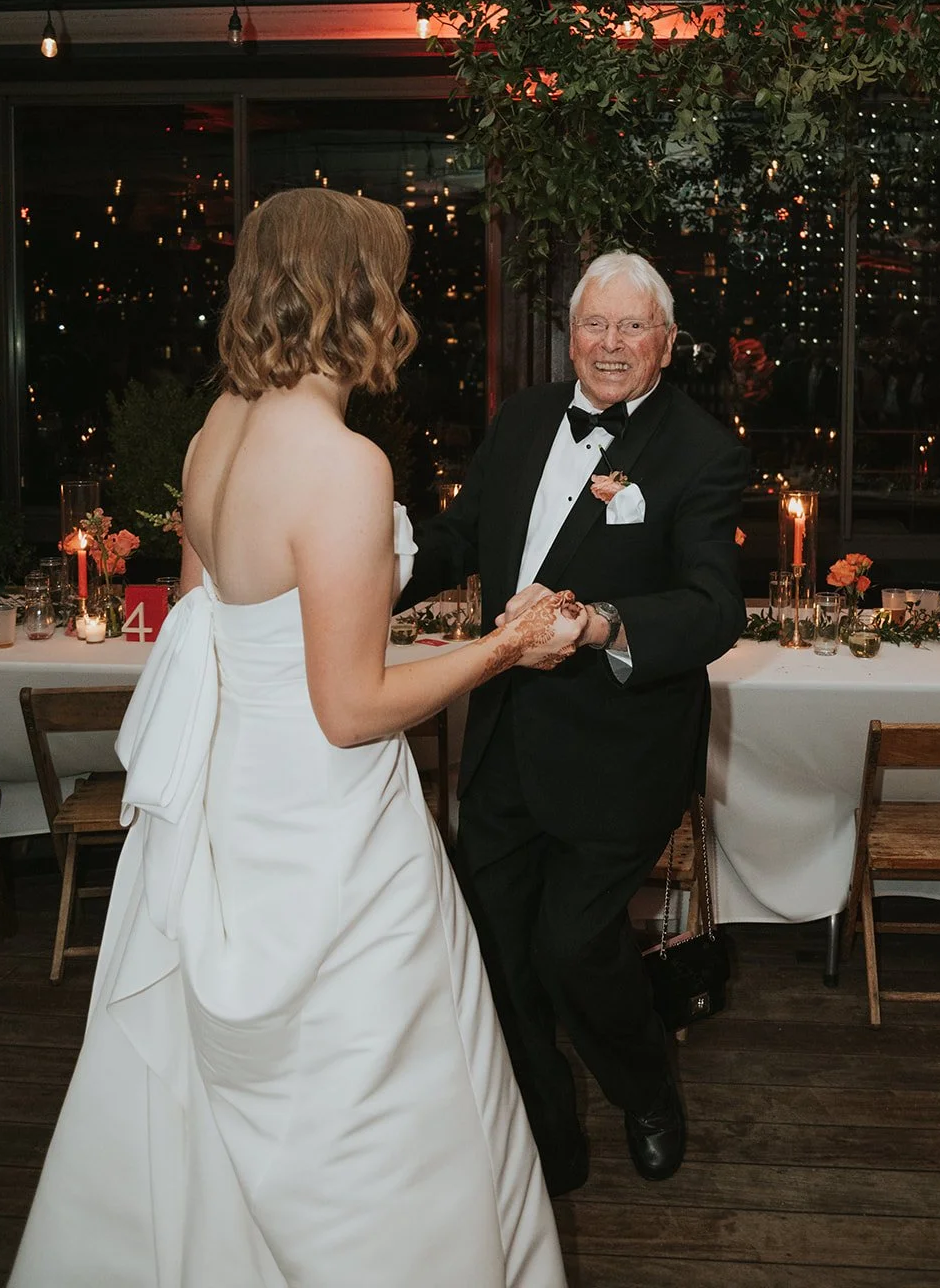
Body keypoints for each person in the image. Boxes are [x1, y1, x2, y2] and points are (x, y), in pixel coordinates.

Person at [9, 189, 583, 1288]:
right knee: (391, 1087)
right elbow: (350, 707)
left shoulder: (214, 431)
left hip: (231, 810)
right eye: (396, 282)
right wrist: (506, 647)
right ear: (356, 295)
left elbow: (203, 625)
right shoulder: (342, 463)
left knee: (208, 1102)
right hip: (331, 825)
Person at [399, 250, 748, 1196]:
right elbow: (460, 537)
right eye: (595, 324)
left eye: (633, 327)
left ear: (666, 345)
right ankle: (544, 1131)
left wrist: (603, 625)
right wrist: (369, 567)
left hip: (620, 752)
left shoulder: (703, 451)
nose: (610, 344)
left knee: (573, 947)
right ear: (571, 334)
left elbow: (716, 606)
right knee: (500, 950)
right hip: (507, 738)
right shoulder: (519, 422)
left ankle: (646, 1090)